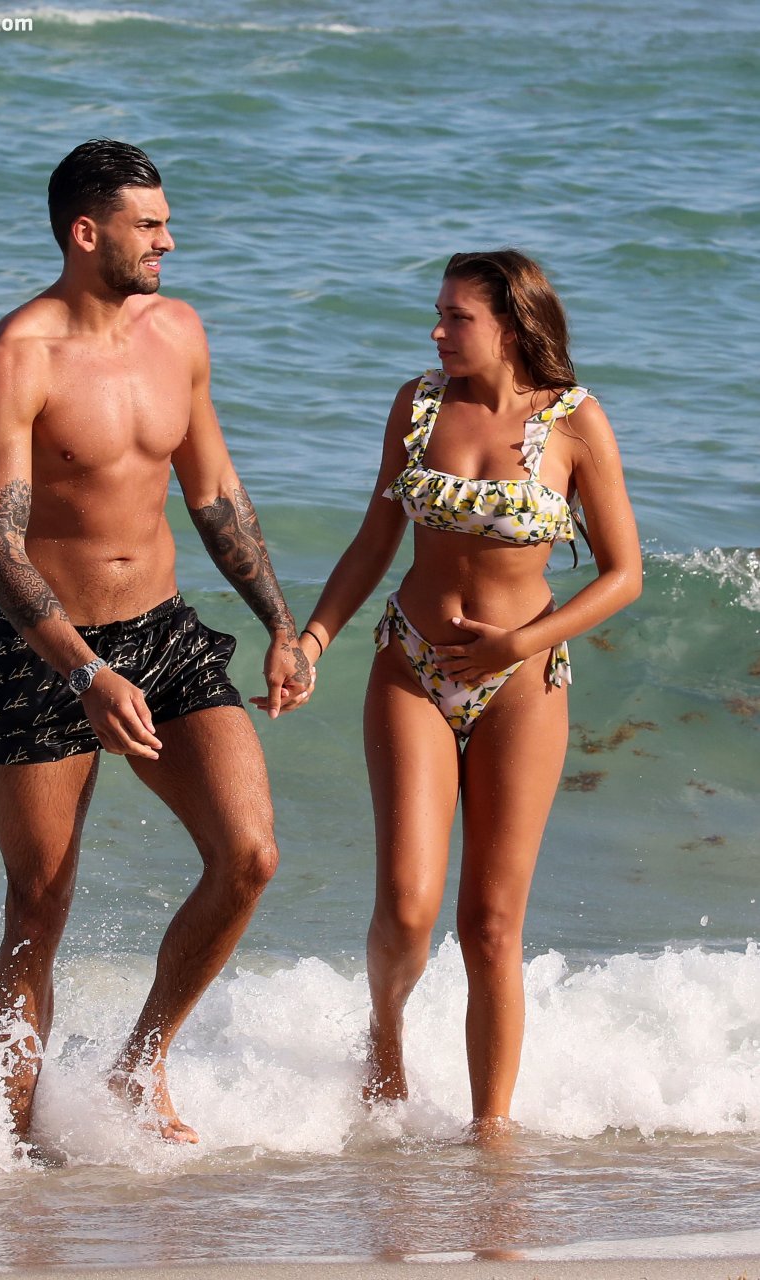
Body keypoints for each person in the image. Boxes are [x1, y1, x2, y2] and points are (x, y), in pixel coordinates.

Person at [0, 138, 312, 1148]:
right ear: (86, 232)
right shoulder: (14, 358)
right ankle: (14, 1146)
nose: (168, 240)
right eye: (148, 225)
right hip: (49, 650)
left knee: (248, 855)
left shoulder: (178, 331)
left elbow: (214, 492)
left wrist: (278, 623)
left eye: (165, 222)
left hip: (163, 632)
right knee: (39, 904)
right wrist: (83, 668)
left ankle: (139, 1064)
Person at [290, 249, 641, 1134]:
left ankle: (491, 1135)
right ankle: (385, 1039)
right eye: (439, 313)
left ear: (512, 326)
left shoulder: (573, 421)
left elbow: (622, 573)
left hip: (522, 679)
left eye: (457, 317)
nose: (438, 332)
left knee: (489, 924)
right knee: (408, 908)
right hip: (411, 665)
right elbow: (374, 540)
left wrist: (518, 643)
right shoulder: (416, 406)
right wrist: (312, 639)